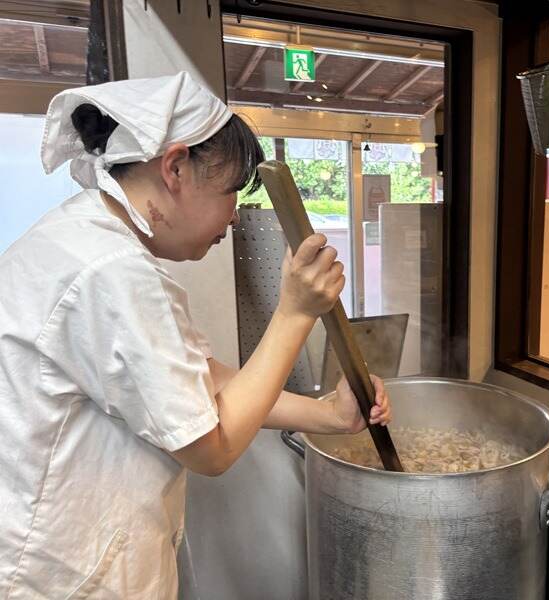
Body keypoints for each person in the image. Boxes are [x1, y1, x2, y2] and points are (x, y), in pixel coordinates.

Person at [0, 72, 391, 599]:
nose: (233, 216)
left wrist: (327, 415)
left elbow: (197, 382)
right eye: (231, 191)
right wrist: (295, 313)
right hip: (62, 574)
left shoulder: (87, 240)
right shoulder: (112, 270)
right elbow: (212, 449)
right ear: (176, 167)